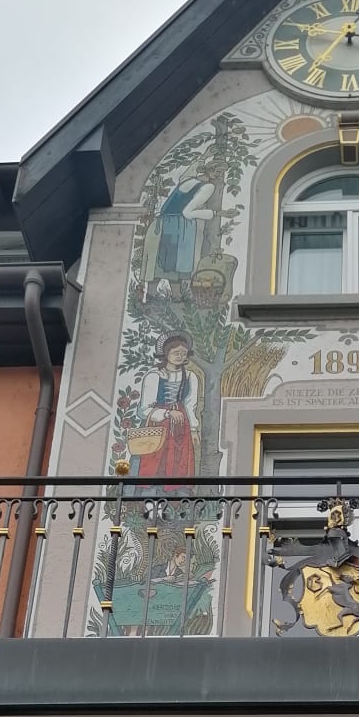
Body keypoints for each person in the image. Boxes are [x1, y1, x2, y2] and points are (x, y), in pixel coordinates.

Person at [140, 164, 217, 301]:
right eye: (218, 172)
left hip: (163, 222)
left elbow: (189, 171)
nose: (219, 176)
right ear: (211, 172)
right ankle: (173, 296)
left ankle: (155, 294)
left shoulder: (187, 180)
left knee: (161, 260)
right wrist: (214, 213)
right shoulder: (208, 187)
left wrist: (205, 155)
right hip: (179, 226)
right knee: (175, 262)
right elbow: (187, 212)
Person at [135, 333, 199, 482]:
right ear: (166, 353)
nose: (180, 356)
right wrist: (167, 413)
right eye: (176, 353)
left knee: (179, 462)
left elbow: (191, 404)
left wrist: (194, 429)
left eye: (183, 353)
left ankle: (177, 491)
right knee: (155, 461)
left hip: (181, 425)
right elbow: (143, 410)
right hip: (158, 424)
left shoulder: (190, 376)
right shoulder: (155, 375)